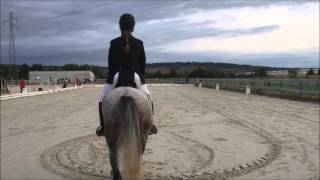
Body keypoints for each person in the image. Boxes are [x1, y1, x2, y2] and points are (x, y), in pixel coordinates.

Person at [96, 13, 158, 136]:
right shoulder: (139, 43)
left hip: (117, 76)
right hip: (135, 76)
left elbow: (111, 65)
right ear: (133, 27)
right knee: (149, 98)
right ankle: (151, 126)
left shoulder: (113, 43)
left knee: (102, 98)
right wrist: (140, 77)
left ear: (120, 26)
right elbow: (142, 64)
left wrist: (114, 75)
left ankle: (103, 128)